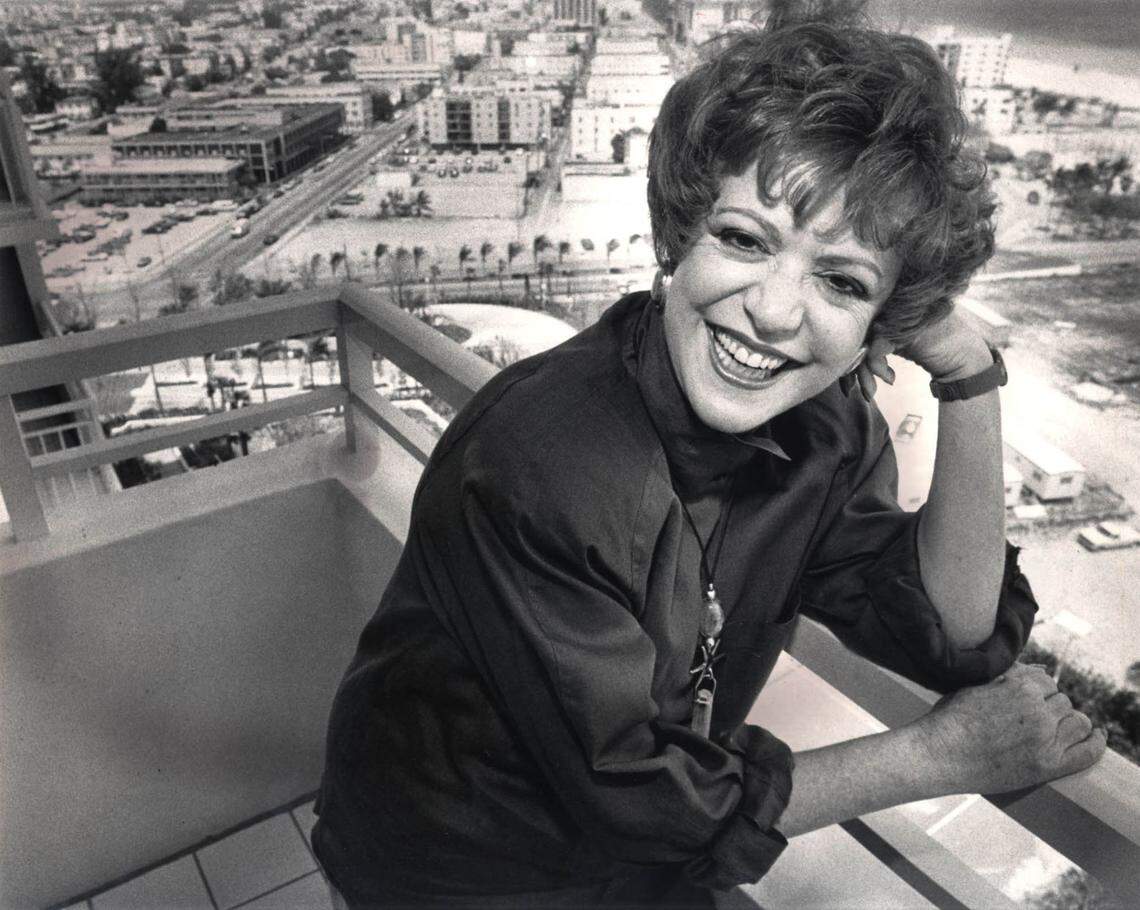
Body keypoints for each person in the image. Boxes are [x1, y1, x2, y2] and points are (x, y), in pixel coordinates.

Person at [312, 13, 1106, 908]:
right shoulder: (535, 462)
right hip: (447, 865)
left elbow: (950, 631)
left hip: (633, 869)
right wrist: (936, 756)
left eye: (840, 281)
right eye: (745, 238)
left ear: (881, 326)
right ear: (680, 233)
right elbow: (634, 788)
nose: (773, 311)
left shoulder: (826, 430)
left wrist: (968, 374)